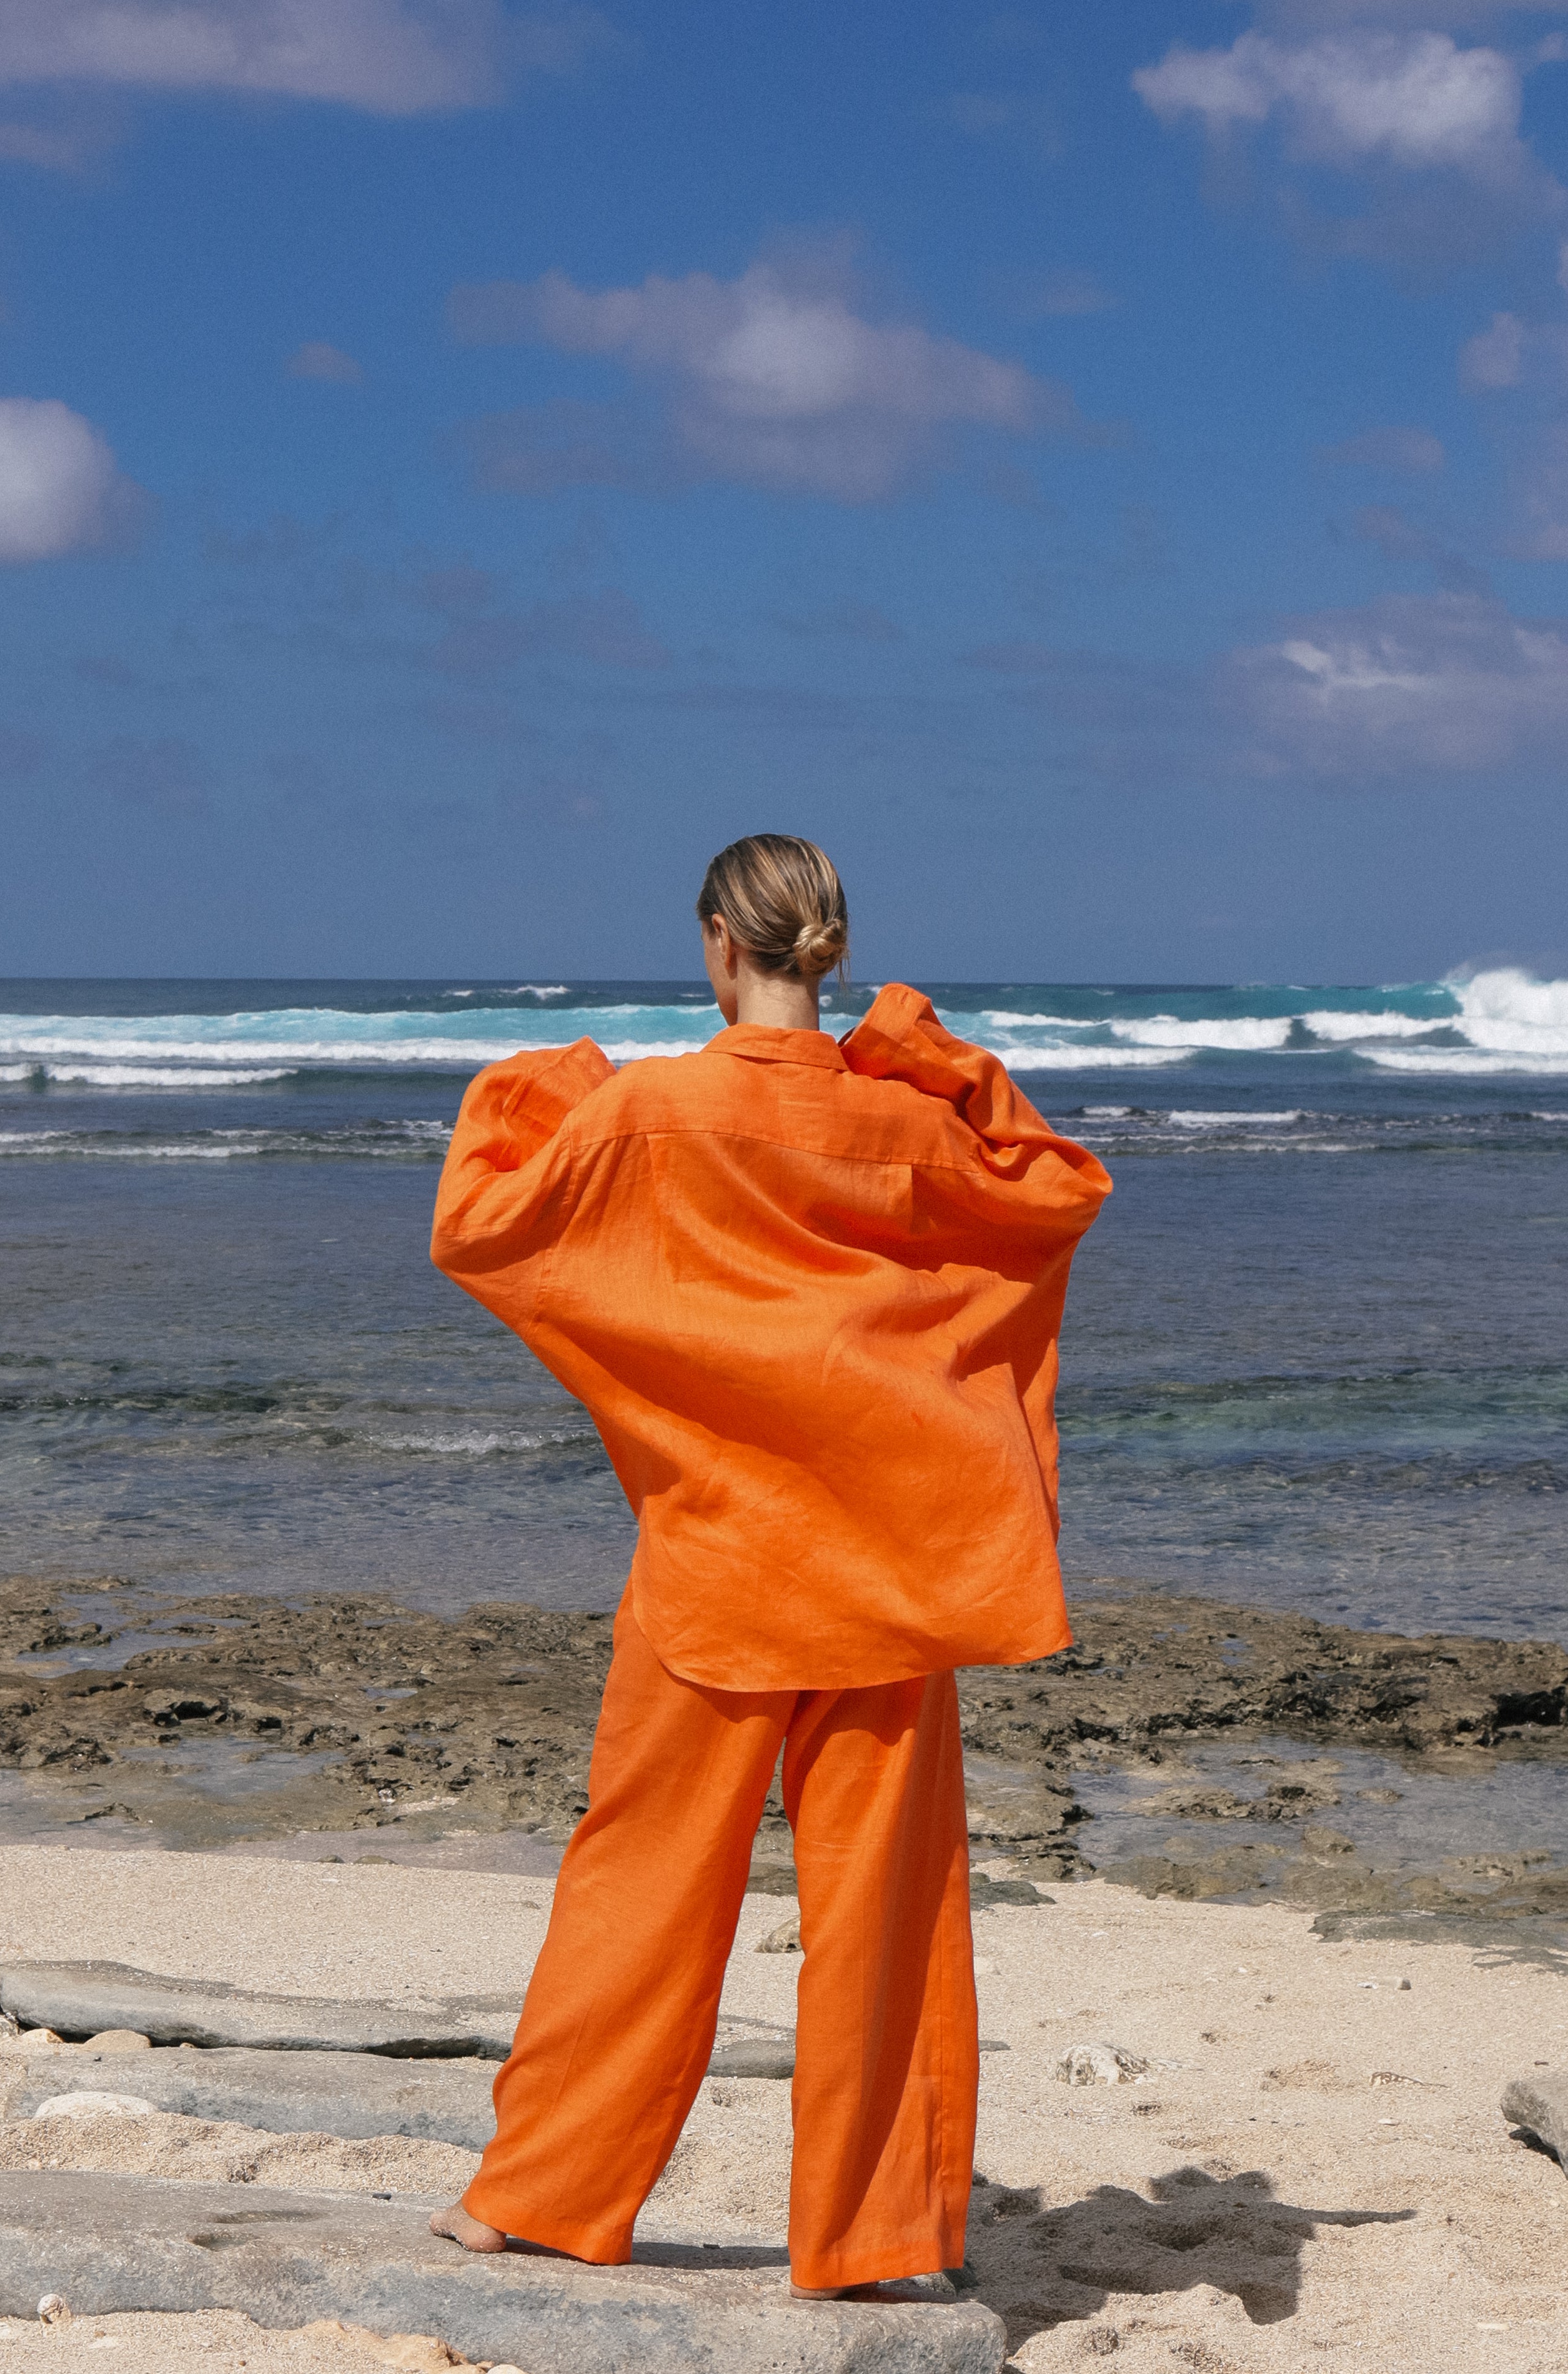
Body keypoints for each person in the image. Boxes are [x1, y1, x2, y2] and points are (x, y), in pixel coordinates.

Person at [427, 834, 1109, 2298]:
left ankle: (535, 2195)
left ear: (717, 943)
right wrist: (925, 1057)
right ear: (831, 950)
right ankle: (878, 2239)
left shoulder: (651, 1112)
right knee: (887, 1915)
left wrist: (556, 1086)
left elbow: (478, 1224)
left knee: (644, 1888)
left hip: (717, 1561)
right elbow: (1054, 1190)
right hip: (891, 1570)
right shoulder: (905, 1124)